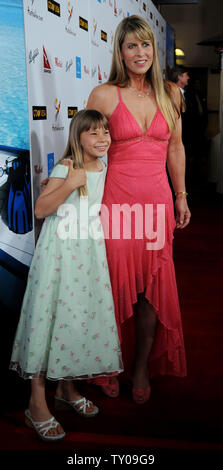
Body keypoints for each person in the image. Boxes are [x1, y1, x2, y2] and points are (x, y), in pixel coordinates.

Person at [86, 15, 191, 404]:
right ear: (120, 51)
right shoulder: (103, 95)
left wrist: (180, 195)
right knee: (112, 288)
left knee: (151, 291)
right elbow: (86, 150)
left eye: (146, 45)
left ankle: (141, 365)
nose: (140, 52)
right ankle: (106, 365)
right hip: (117, 203)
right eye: (132, 45)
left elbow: (175, 148)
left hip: (158, 204)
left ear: (154, 49)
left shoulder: (170, 94)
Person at [9, 109, 123, 441]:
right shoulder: (68, 167)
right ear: (77, 137)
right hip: (60, 256)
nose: (102, 139)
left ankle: (67, 390)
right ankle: (37, 402)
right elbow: (41, 209)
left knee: (77, 320)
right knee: (51, 320)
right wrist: (69, 183)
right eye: (94, 134)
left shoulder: (102, 165)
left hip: (87, 255)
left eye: (106, 132)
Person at [170, 66, 207, 184]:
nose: (188, 77)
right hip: (177, 139)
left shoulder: (189, 94)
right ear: (179, 77)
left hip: (189, 138)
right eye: (186, 75)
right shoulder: (170, 95)